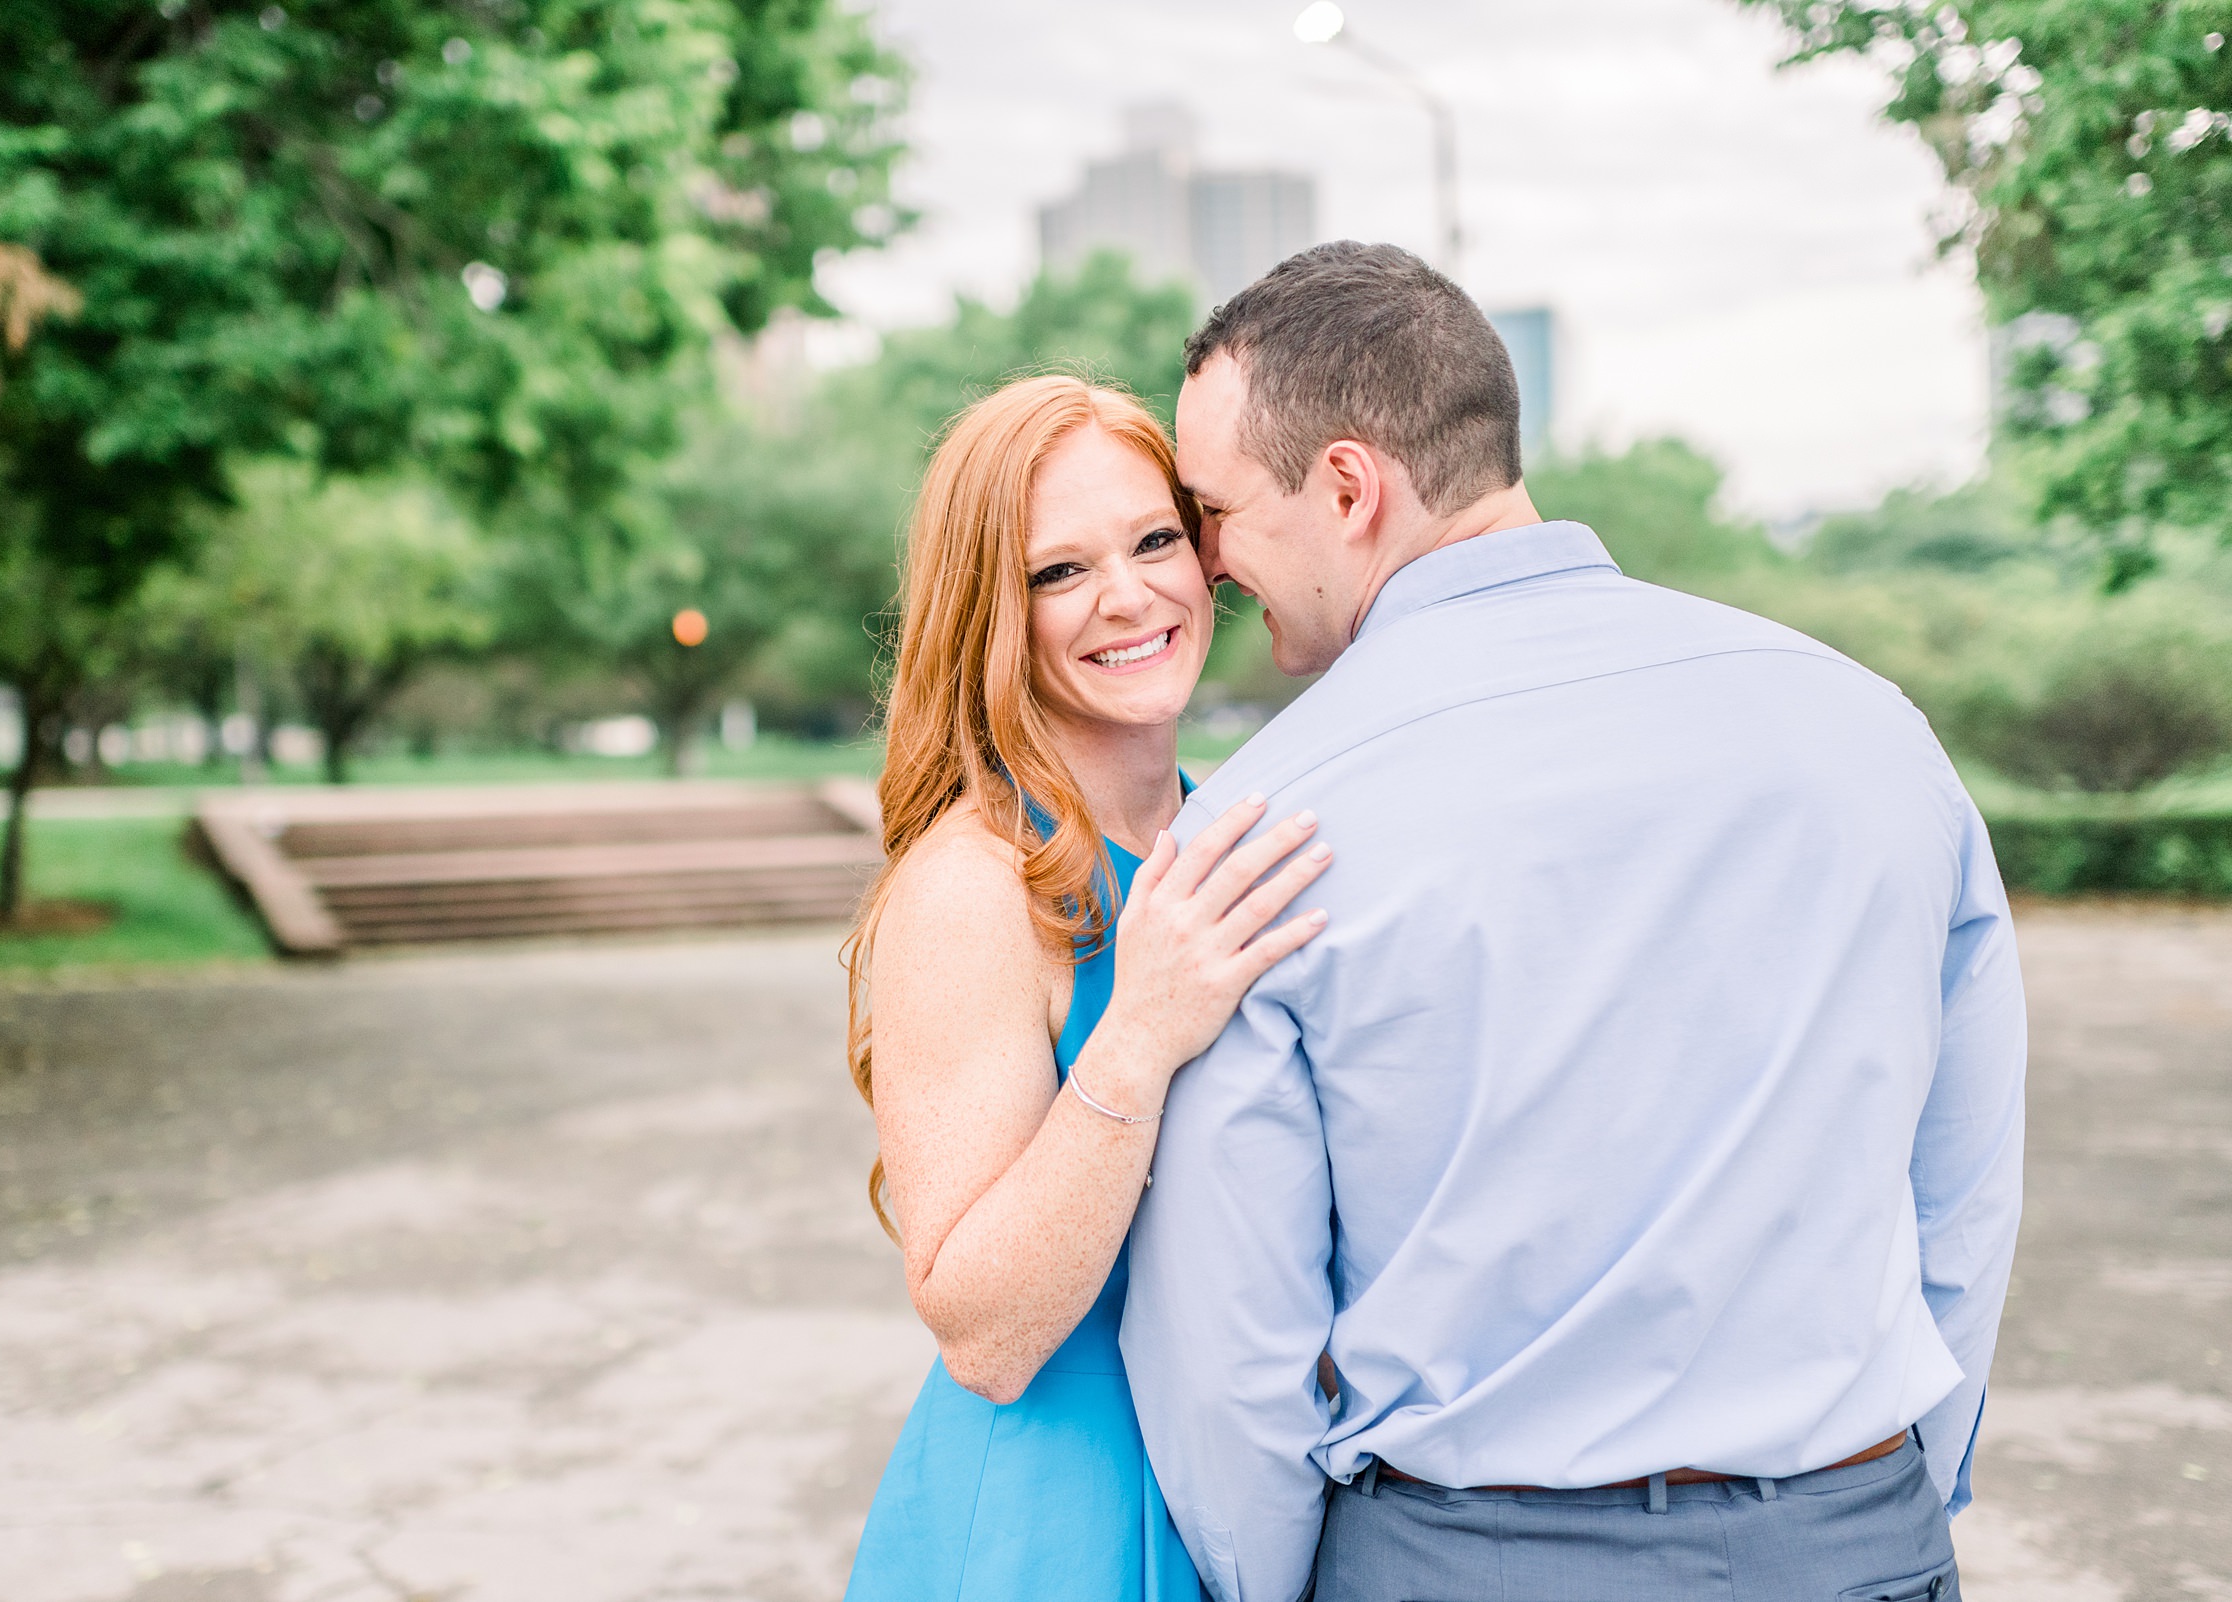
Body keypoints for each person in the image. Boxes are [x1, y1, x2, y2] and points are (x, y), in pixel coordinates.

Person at [1120, 241, 2027, 1602]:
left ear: (1351, 487)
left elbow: (1231, 1342)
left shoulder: (1253, 830)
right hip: (1850, 1538)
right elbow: (1963, 1190)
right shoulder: (1872, 733)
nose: (1206, 561)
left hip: (1456, 1558)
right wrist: (1886, 1491)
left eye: (1214, 511)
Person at [840, 374, 1336, 1600]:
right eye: (1058, 572)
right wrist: (1140, 1033)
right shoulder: (975, 884)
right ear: (990, 609)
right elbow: (985, 1335)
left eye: (1156, 539)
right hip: (1060, 1526)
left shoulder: (1227, 831)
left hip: (1249, 1495)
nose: (1129, 596)